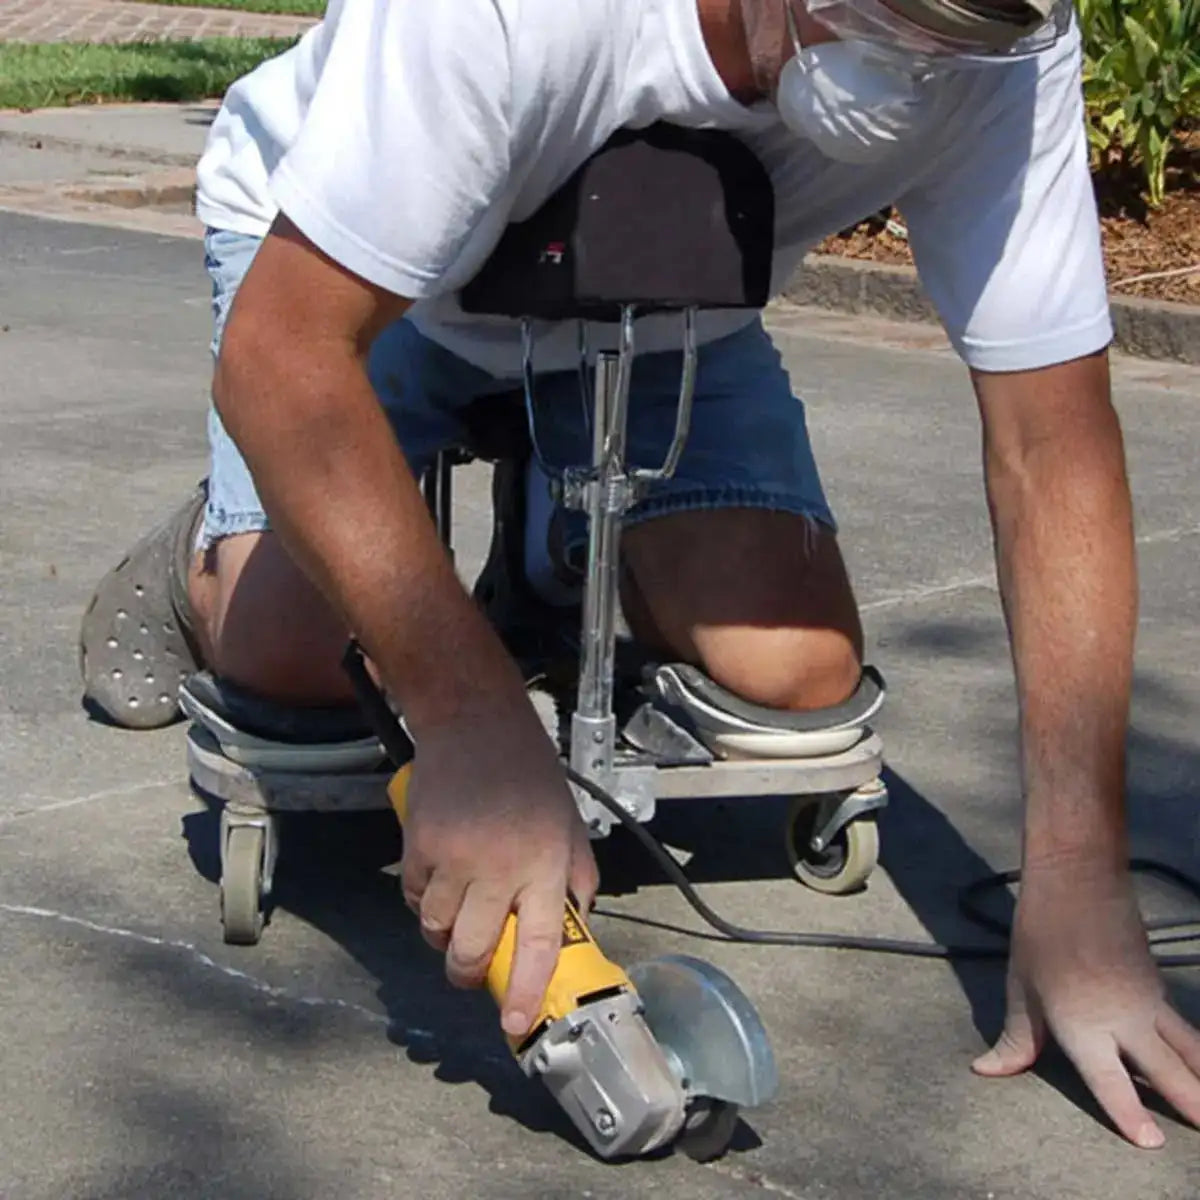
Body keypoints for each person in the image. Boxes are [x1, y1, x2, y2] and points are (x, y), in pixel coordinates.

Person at [79, 0, 1200, 1147]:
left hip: (663, 299)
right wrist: (473, 731)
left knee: (796, 675)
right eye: (877, 20)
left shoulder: (1002, 30)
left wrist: (1074, 875)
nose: (908, 78)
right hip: (356, 285)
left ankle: (543, 539)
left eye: (948, 50)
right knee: (293, 658)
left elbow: (1050, 442)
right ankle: (214, 555)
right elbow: (286, 357)